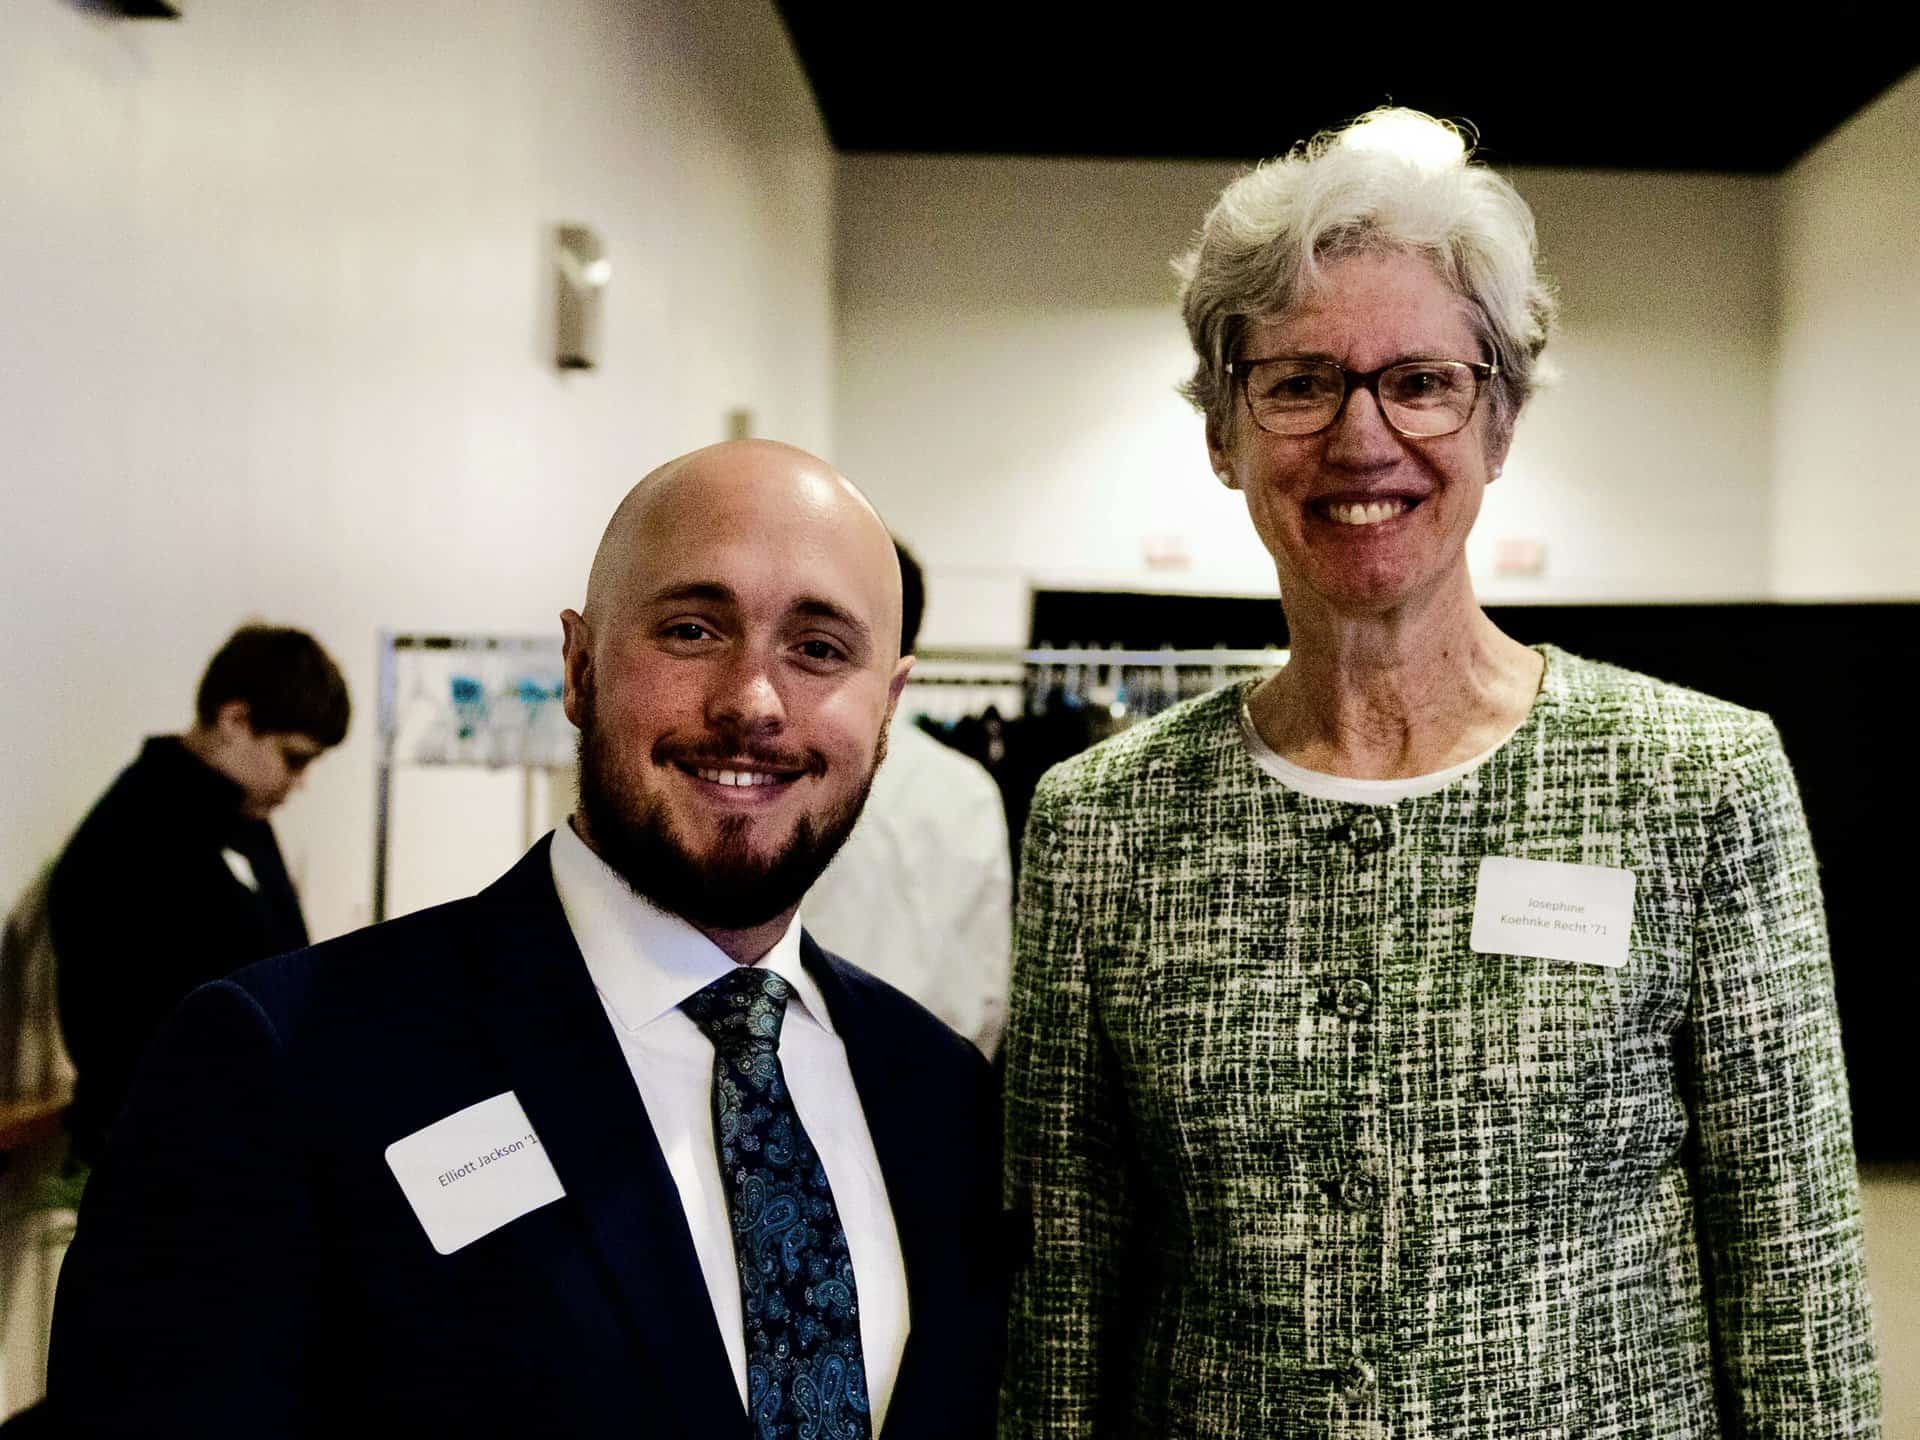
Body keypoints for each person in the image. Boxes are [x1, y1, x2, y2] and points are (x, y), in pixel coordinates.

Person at [1001, 109, 1880, 1436]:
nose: (1364, 438)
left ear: (1500, 421)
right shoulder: (1103, 823)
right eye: (1299, 382)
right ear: (1224, 432)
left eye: (1421, 380)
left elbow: (1794, 1277)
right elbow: (1065, 1289)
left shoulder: (1697, 783)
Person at [48, 441, 1003, 1439]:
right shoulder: (288, 1064)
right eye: (691, 628)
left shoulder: (938, 1098)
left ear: (887, 710)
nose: (751, 702)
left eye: (817, 650)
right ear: (580, 667)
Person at [49, 623, 349, 1171]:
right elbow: (120, 1037)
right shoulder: (129, 834)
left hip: (244, 1145)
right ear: (234, 720)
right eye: (294, 758)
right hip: (166, 1162)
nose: (298, 782)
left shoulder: (243, 816)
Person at [805, 540, 1013, 1057]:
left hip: (788, 1064)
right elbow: (990, 984)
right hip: (937, 1074)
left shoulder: (785, 774)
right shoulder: (968, 787)